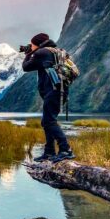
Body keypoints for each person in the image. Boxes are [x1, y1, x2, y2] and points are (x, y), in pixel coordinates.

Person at [22, 33, 75, 163]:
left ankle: (65, 149)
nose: (31, 46)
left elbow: (26, 67)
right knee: (48, 120)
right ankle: (49, 151)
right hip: (61, 90)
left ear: (38, 44)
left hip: (53, 92)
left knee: (48, 121)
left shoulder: (41, 53)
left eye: (32, 44)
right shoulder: (57, 51)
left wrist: (28, 53)